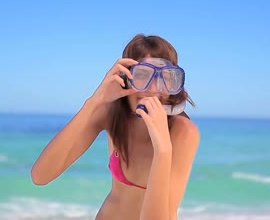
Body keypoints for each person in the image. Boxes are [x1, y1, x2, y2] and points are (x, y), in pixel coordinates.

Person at [31, 34, 200, 220]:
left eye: (166, 78)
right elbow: (40, 176)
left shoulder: (183, 132)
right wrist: (94, 102)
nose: (153, 90)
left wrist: (163, 149)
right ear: (126, 77)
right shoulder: (112, 116)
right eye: (142, 76)